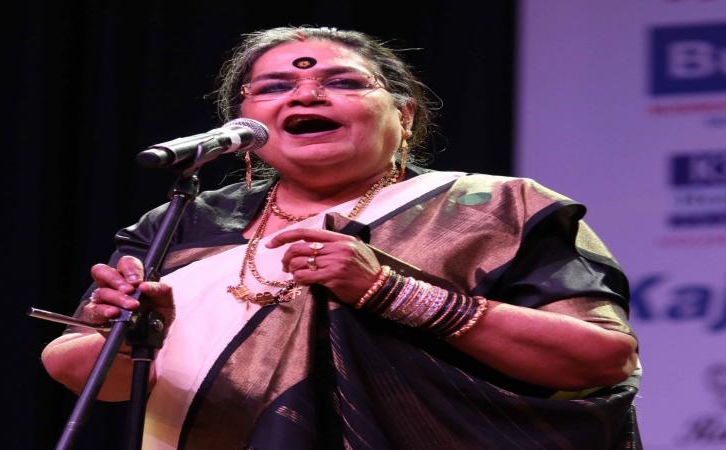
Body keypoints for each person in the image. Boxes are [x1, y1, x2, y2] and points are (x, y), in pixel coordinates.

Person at [42, 26, 641, 449]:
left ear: (403, 116)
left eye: (343, 82)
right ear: (244, 130)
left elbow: (602, 359)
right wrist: (133, 336)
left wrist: (390, 291)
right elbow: (80, 368)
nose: (305, 94)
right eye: (273, 88)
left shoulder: (496, 208)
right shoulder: (183, 221)